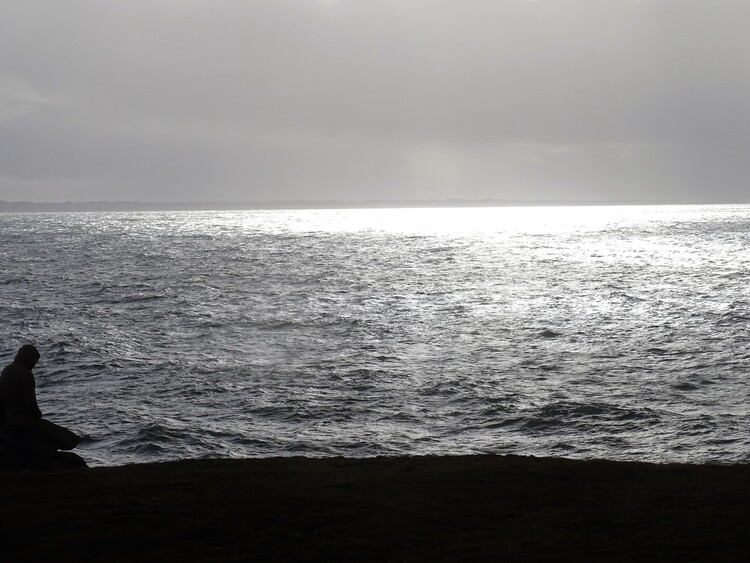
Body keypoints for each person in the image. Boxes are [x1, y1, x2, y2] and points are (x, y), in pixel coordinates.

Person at [0, 345, 86, 469]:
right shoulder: (26, 375)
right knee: (53, 433)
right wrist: (38, 415)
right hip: (23, 424)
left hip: (10, 421)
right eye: (34, 362)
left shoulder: (6, 371)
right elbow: (31, 405)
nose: (34, 365)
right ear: (28, 359)